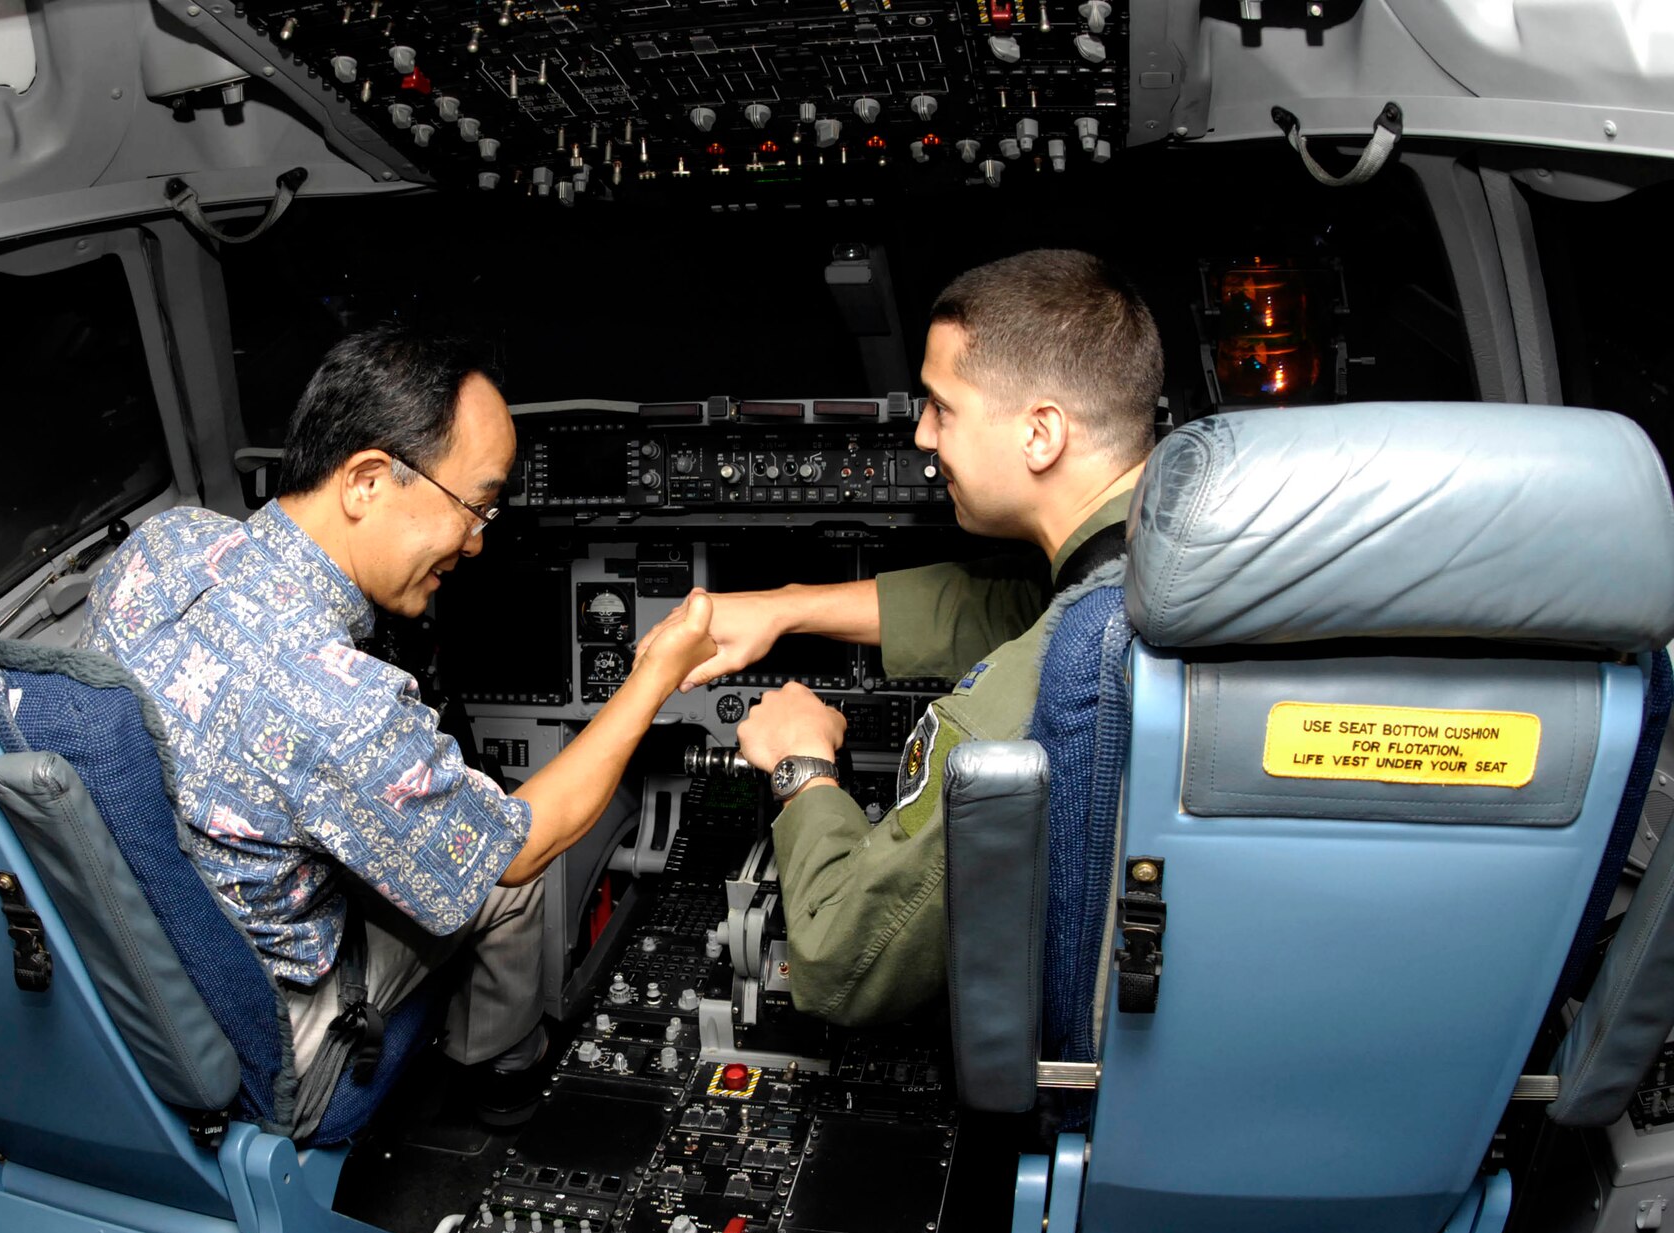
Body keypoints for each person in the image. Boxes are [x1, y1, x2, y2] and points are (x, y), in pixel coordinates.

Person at [83, 324, 716, 1132]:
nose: (480, 541)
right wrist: (653, 677)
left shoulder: (168, 543)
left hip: (129, 964)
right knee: (502, 892)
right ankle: (502, 1084)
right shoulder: (342, 708)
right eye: (473, 505)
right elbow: (517, 847)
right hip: (266, 1030)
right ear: (368, 481)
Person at [636, 248, 1162, 1027]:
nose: (921, 435)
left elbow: (845, 961)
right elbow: (1004, 603)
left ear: (1040, 433)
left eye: (942, 408)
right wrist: (785, 606)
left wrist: (800, 762)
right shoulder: (1163, 553)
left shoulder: (1053, 684)